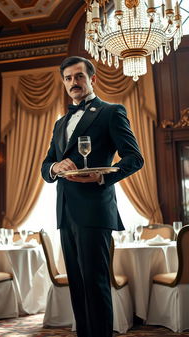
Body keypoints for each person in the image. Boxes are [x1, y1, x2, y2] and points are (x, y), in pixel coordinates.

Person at [41, 56, 144, 337]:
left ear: (92, 79)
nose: (74, 82)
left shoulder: (111, 112)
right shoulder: (60, 123)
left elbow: (135, 158)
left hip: (95, 210)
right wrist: (55, 166)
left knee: (95, 285)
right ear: (63, 83)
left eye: (79, 76)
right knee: (77, 285)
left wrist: (102, 176)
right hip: (66, 212)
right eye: (68, 78)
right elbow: (46, 164)